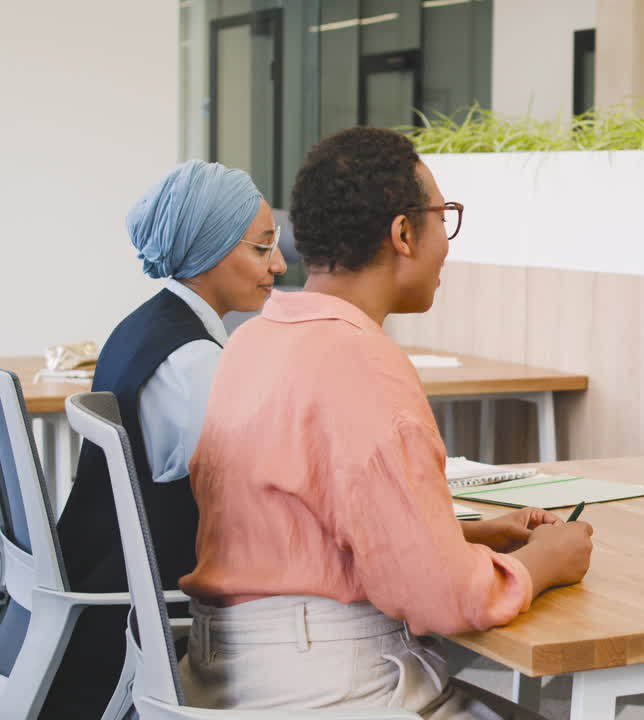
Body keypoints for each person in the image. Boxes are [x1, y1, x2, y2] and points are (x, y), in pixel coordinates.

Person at [176, 127, 593, 718]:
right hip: (330, 690)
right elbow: (443, 598)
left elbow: (309, 527)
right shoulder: (363, 365)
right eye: (442, 217)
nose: (446, 242)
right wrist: (545, 562)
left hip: (225, 677)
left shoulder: (254, 340)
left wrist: (462, 536)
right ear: (403, 233)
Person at [47, 161, 285, 719]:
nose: (277, 264)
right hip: (154, 609)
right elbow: (261, 499)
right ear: (209, 251)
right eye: (261, 248)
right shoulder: (194, 361)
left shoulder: (144, 327)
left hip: (104, 582)